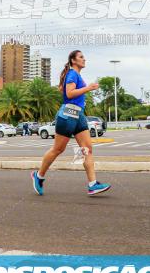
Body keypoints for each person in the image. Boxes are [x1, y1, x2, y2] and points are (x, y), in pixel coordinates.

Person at [32, 50, 110, 196]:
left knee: (87, 148)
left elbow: (63, 90)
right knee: (58, 149)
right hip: (68, 115)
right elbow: (69, 93)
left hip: (78, 115)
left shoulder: (75, 74)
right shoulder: (73, 73)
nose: (84, 59)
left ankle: (92, 185)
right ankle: (39, 176)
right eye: (81, 57)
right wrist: (89, 88)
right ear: (73, 60)